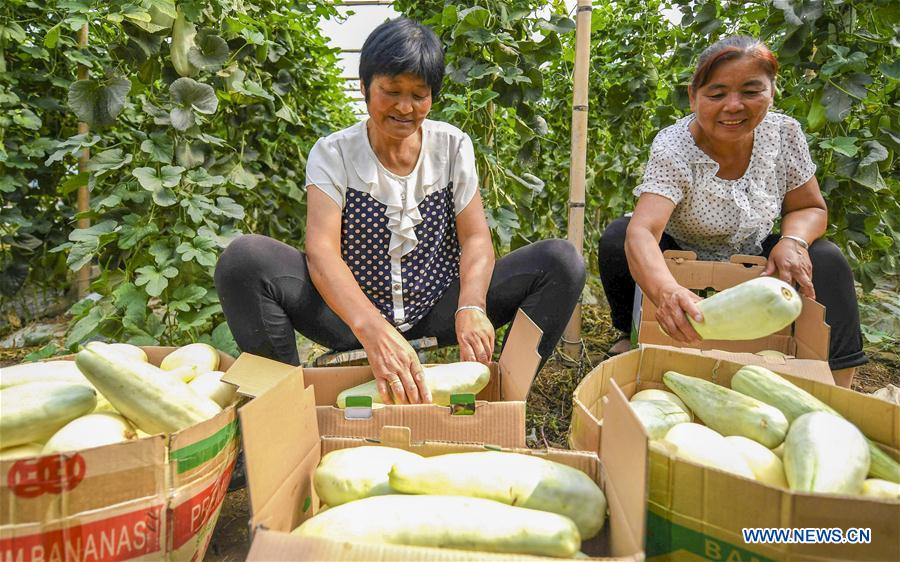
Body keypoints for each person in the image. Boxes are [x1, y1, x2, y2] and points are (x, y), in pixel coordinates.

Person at [215, 18, 585, 405]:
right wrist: (374, 329)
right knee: (244, 261)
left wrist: (472, 305)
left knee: (561, 261)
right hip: (349, 318)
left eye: (419, 95)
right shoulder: (333, 153)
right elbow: (321, 251)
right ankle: (285, 410)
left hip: (436, 305)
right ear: (365, 89)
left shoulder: (452, 146)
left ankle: (500, 400)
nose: (405, 107)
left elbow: (475, 237)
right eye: (391, 91)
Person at [597, 36, 866, 387]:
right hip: (681, 245)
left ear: (772, 91)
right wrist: (665, 290)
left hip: (753, 247)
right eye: (717, 94)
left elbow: (810, 207)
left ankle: (839, 381)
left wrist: (794, 240)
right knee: (620, 239)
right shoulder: (675, 145)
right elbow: (645, 231)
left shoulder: (784, 134)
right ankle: (627, 329)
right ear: (693, 97)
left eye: (751, 91)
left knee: (827, 258)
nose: (733, 106)